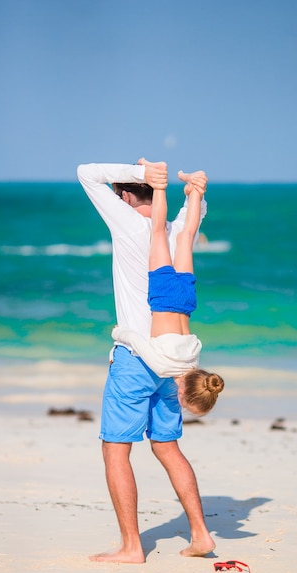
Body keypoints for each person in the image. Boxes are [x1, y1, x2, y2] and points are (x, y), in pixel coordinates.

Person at [77, 159, 215, 563]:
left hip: (139, 359)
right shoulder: (173, 232)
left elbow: (86, 172)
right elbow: (194, 213)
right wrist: (191, 187)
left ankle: (132, 546)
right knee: (167, 447)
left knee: (116, 449)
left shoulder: (133, 225)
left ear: (123, 197)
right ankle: (201, 534)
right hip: (173, 369)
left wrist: (146, 177)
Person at [112, 161, 224, 416]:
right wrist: (118, 333)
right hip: (162, 298)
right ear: (182, 392)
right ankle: (159, 185)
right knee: (159, 231)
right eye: (183, 402)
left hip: (186, 300)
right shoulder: (163, 368)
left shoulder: (195, 359)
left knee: (185, 236)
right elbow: (136, 341)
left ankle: (195, 189)